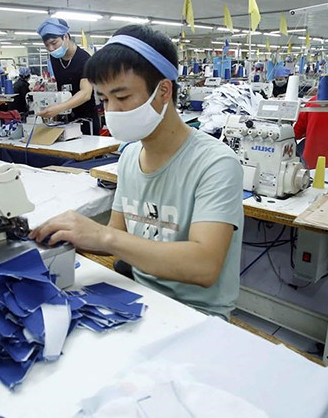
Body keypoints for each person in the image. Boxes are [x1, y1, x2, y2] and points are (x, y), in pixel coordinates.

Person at [30, 25, 243, 320]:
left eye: (122, 97)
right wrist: (68, 234)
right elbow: (119, 234)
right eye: (105, 100)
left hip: (198, 314)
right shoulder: (130, 156)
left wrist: (102, 235)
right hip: (142, 296)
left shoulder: (215, 163)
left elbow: (204, 266)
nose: (112, 111)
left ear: (163, 91)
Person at [37, 18, 100, 135]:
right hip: (65, 119)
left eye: (54, 43)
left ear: (65, 37)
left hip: (86, 120)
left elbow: (86, 93)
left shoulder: (84, 59)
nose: (51, 49)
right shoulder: (54, 58)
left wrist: (60, 108)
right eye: (47, 45)